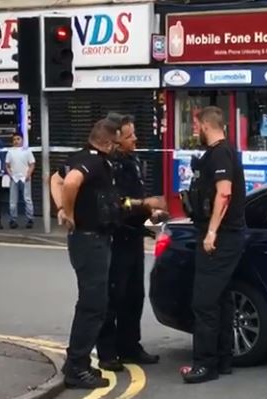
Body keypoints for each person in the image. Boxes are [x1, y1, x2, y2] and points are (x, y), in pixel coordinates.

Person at [49, 118, 158, 389]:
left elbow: (56, 178)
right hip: (90, 241)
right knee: (93, 306)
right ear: (109, 141)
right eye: (121, 137)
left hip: (94, 239)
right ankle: (76, 367)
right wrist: (68, 212)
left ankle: (77, 362)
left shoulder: (87, 158)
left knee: (94, 304)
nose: (125, 141)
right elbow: (70, 182)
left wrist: (61, 209)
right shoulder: (94, 161)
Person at [96, 113, 167, 371]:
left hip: (135, 236)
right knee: (113, 296)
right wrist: (143, 205)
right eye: (130, 136)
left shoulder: (134, 161)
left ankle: (130, 346)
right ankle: (107, 352)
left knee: (134, 296)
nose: (135, 139)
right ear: (116, 139)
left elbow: (137, 198)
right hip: (116, 237)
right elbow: (116, 203)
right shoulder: (108, 166)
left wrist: (152, 214)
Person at [181, 106, 247, 384]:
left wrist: (211, 233)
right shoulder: (224, 152)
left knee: (204, 302)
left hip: (221, 237)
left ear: (206, 125)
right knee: (220, 299)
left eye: (196, 126)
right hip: (228, 235)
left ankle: (204, 365)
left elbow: (224, 193)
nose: (195, 131)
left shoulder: (219, 153)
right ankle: (222, 360)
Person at [5, 133, 35, 229]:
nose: (16, 141)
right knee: (13, 201)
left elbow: (32, 164)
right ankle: (13, 220)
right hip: (14, 179)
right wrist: (11, 175)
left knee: (27, 199)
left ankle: (30, 219)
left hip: (25, 178)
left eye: (18, 139)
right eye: (14, 139)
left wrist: (28, 174)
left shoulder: (27, 151)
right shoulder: (10, 152)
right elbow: (7, 165)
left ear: (22, 140)